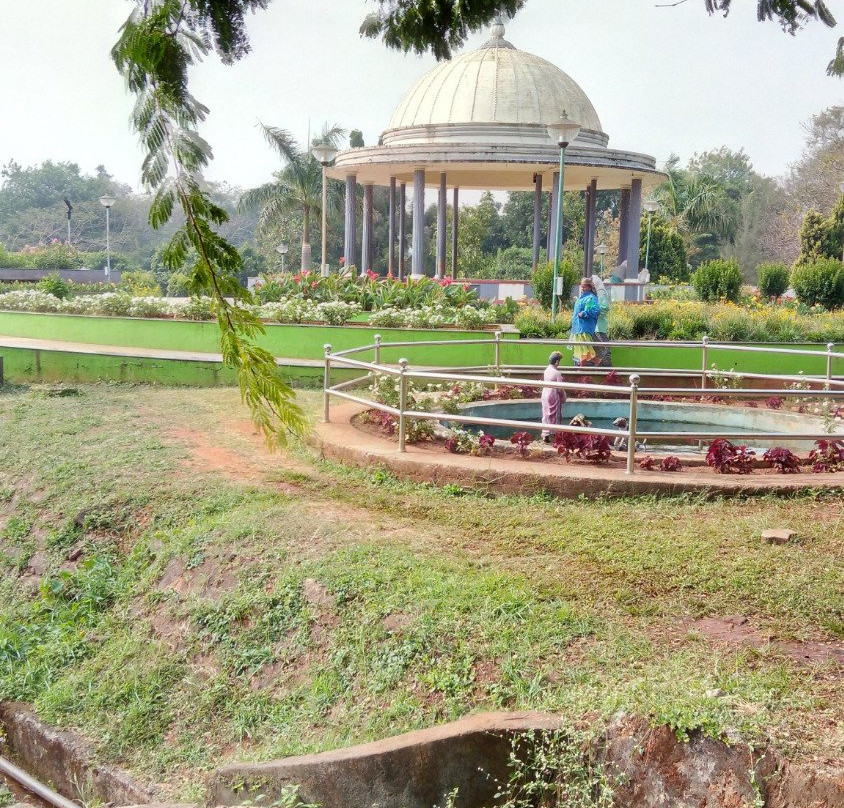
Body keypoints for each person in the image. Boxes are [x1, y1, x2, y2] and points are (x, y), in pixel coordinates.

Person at [569, 278, 600, 367]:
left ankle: (582, 370)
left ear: (590, 287)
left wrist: (584, 313)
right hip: (577, 328)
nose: (582, 288)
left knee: (584, 350)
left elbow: (595, 310)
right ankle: (593, 362)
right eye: (582, 286)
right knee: (581, 350)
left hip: (584, 328)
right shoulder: (582, 298)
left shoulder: (591, 298)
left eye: (584, 286)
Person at [541, 351, 566, 442]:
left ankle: (545, 434)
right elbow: (560, 388)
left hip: (545, 393)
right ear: (556, 362)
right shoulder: (557, 373)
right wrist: (563, 397)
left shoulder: (546, 370)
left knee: (546, 414)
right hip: (553, 395)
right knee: (555, 414)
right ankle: (556, 434)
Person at [591, 274, 612, 367]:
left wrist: (593, 311)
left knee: (603, 350)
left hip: (599, 327)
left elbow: (605, 308)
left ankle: (604, 370)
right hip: (597, 327)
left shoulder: (601, 294)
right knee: (602, 350)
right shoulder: (596, 294)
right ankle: (604, 370)